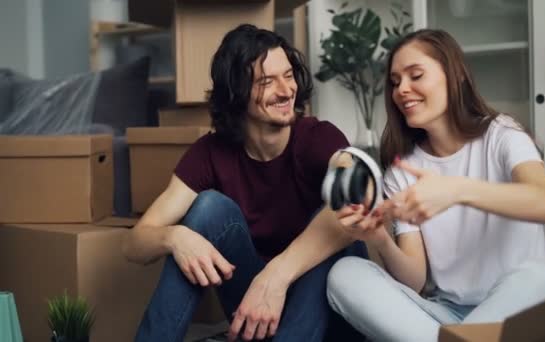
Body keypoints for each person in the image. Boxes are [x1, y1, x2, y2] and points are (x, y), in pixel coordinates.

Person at [122, 24, 367, 342]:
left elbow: (358, 202)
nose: (285, 90)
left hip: (327, 316)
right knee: (208, 208)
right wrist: (175, 237)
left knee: (331, 210)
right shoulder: (211, 153)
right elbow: (132, 245)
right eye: (267, 81)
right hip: (256, 314)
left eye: (289, 75)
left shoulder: (320, 138)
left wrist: (276, 276)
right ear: (236, 91)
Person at [325, 29, 545, 342]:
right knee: (344, 274)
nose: (402, 90)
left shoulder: (503, 136)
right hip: (444, 316)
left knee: (541, 279)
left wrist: (455, 190)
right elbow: (415, 280)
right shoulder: (403, 171)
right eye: (396, 82)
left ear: (455, 76)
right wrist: (380, 238)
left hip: (516, 305)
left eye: (416, 75)